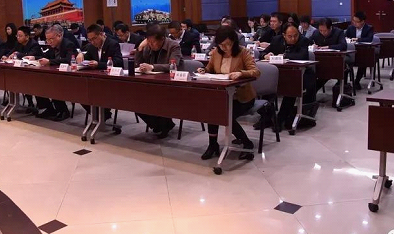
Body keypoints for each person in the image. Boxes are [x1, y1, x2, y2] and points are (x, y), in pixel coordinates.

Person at [197, 26, 259, 160]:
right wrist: (204, 70)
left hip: (242, 97)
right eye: (221, 45)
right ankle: (213, 145)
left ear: (234, 41)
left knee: (226, 114)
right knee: (212, 112)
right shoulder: (216, 53)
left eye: (227, 44)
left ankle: (247, 143)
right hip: (222, 96)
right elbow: (210, 68)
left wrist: (240, 73)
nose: (224, 48)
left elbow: (255, 71)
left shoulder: (243, 52)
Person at [263, 24, 316, 129]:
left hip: (300, 74)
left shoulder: (303, 40)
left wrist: (284, 56)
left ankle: (280, 118)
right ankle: (267, 117)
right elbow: (264, 52)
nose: (293, 39)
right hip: (279, 73)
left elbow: (302, 56)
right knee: (266, 86)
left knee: (291, 87)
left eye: (295, 35)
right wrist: (265, 55)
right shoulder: (276, 40)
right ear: (284, 35)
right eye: (290, 36)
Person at [134, 24, 183, 138]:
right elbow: (137, 64)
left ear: (162, 39)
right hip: (152, 83)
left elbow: (173, 65)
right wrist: (140, 49)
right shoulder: (148, 47)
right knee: (135, 101)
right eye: (148, 42)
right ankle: (162, 125)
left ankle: (163, 125)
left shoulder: (173, 46)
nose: (151, 45)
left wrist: (152, 67)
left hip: (172, 84)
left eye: (153, 42)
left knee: (157, 99)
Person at [29, 24, 79, 121]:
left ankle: (63, 111)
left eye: (51, 39)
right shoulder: (53, 46)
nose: (49, 42)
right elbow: (45, 56)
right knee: (37, 82)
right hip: (55, 74)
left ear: (59, 35)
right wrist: (34, 57)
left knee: (53, 84)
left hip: (68, 77)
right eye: (47, 39)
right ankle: (49, 108)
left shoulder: (68, 44)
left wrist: (49, 62)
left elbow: (68, 60)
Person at [77, 24, 124, 121]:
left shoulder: (112, 44)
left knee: (97, 93)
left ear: (102, 34)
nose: (92, 42)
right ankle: (101, 116)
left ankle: (103, 116)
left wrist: (98, 64)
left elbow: (118, 62)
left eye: (94, 38)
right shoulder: (91, 46)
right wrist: (81, 54)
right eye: (90, 40)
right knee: (80, 94)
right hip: (96, 80)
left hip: (111, 81)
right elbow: (86, 57)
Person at [3, 26, 42, 114]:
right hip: (24, 70)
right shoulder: (18, 43)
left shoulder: (34, 44)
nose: (18, 38)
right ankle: (27, 103)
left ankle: (36, 104)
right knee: (21, 80)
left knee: (27, 82)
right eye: (17, 36)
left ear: (27, 37)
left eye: (20, 36)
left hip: (36, 71)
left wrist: (17, 54)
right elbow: (13, 51)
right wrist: (6, 56)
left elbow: (28, 56)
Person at [345, 11, 374, 90]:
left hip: (363, 50)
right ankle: (344, 83)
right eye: (353, 21)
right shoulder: (350, 28)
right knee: (344, 61)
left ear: (362, 21)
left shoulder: (369, 28)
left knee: (363, 61)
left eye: (356, 21)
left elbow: (369, 39)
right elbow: (344, 37)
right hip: (351, 50)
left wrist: (358, 39)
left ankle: (357, 81)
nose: (354, 23)